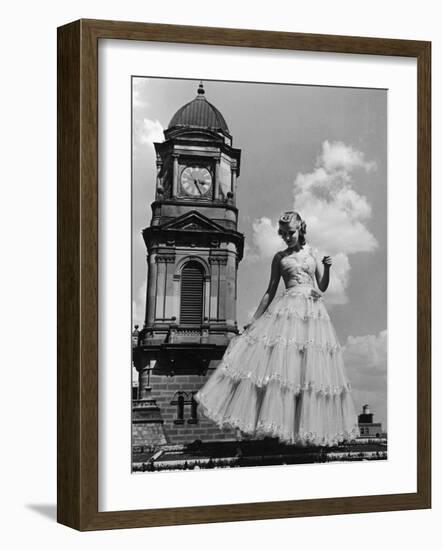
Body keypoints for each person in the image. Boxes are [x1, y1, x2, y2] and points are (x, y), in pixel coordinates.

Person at [194, 211, 359, 446]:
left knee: (310, 373)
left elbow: (321, 286)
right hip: (288, 310)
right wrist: (254, 320)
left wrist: (328, 268)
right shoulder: (279, 257)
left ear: (300, 228)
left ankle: (306, 433)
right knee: (284, 372)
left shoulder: (312, 252)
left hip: (313, 314)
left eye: (290, 233)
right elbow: (270, 291)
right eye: (283, 234)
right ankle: (283, 431)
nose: (287, 238)